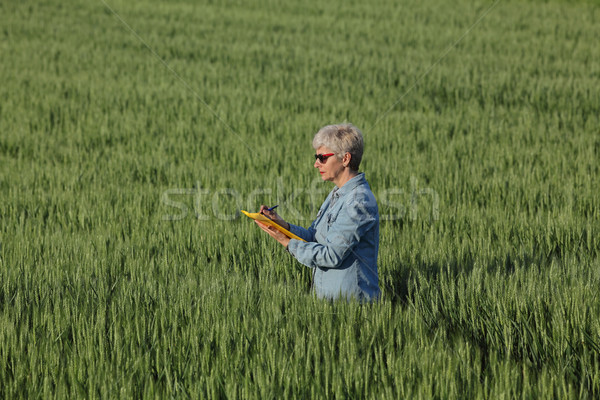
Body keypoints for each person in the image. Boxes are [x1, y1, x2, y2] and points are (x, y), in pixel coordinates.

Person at [255, 123, 380, 302]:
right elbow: (315, 237)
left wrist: (287, 242)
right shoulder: (337, 194)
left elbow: (332, 255)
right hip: (329, 302)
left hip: (351, 304)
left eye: (322, 157)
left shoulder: (358, 202)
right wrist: (282, 225)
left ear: (345, 159)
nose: (316, 164)